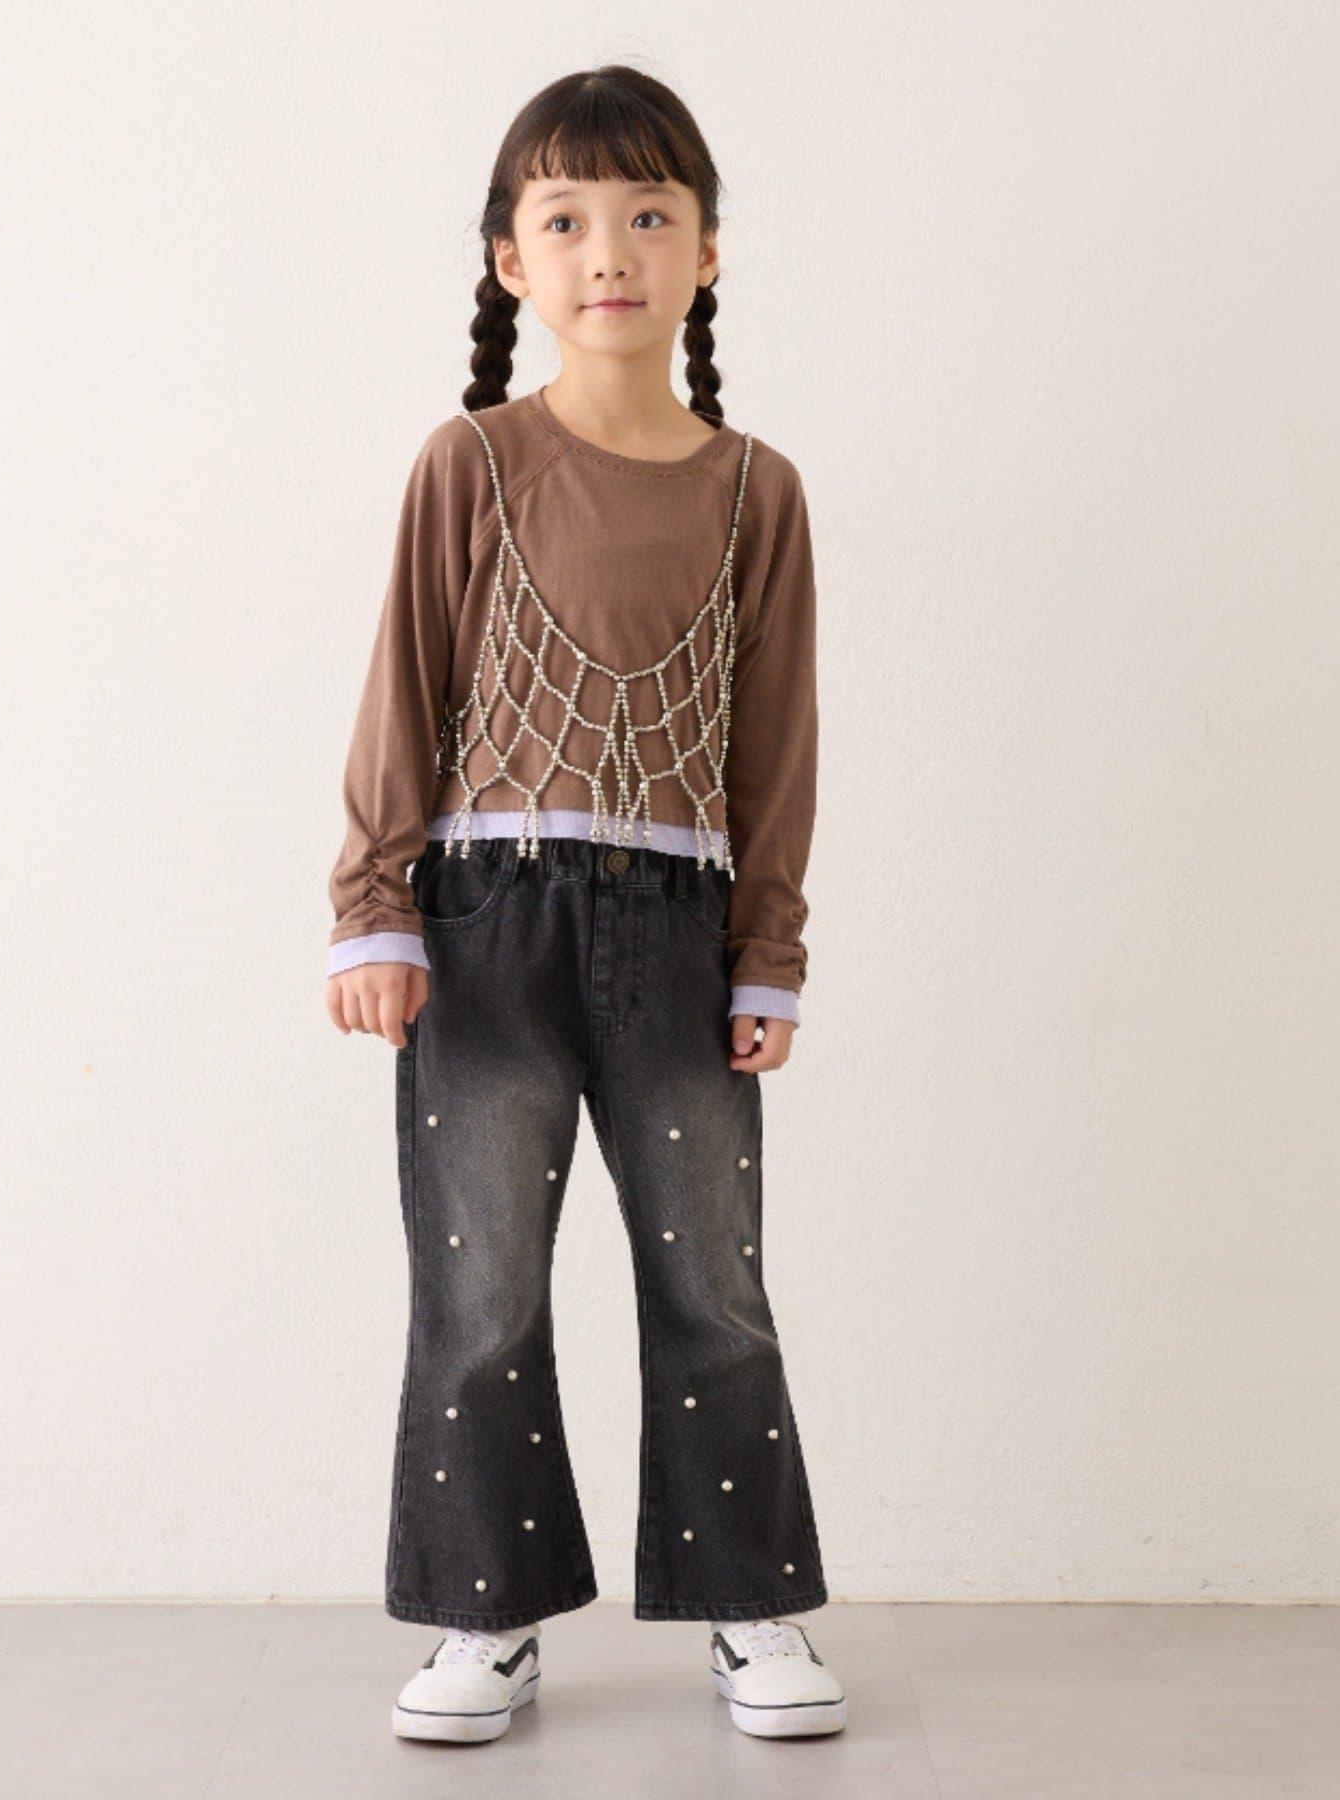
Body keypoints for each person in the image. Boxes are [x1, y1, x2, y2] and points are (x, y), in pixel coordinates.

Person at [323, 65, 846, 1745]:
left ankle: (750, 1604)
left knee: (713, 1284)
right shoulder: (471, 463)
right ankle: (486, 1615)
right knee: (478, 1290)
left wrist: (769, 952)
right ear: (511, 260)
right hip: (488, 922)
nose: (608, 250)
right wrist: (373, 909)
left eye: (648, 214)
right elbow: (402, 695)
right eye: (565, 219)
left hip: (680, 931)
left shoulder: (757, 489)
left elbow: (776, 745)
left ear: (708, 251)